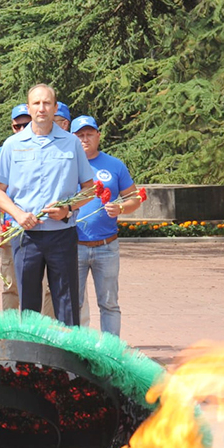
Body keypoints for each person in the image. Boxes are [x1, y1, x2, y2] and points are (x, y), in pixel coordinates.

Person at [0, 84, 94, 327]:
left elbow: (89, 189)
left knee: (67, 303)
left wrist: (67, 210)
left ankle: (69, 358)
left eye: (47, 103)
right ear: (29, 108)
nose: (41, 108)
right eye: (36, 103)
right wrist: (17, 214)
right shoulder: (12, 144)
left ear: (55, 108)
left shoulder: (71, 143)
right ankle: (31, 361)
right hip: (26, 237)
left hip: (62, 234)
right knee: (28, 305)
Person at [72, 115, 142, 335]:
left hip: (107, 246)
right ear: (72, 138)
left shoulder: (114, 165)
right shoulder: (66, 166)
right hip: (74, 246)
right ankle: (76, 354)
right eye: (80, 135)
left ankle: (110, 354)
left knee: (109, 303)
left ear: (98, 136)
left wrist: (121, 208)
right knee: (75, 304)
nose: (85, 139)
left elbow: (135, 197)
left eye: (89, 134)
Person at [0, 104, 30, 310]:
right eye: (17, 126)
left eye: (27, 124)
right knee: (10, 285)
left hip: (39, 228)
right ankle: (11, 336)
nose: (22, 129)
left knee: (43, 287)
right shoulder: (4, 150)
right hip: (11, 229)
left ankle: (42, 335)